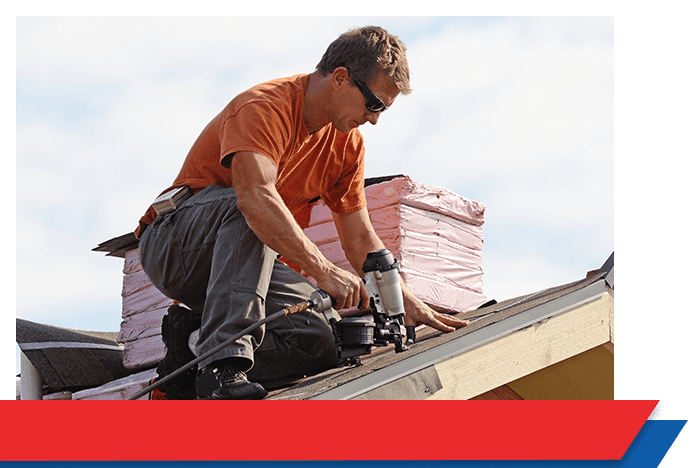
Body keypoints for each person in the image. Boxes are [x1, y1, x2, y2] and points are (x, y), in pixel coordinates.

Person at [135, 26, 469, 400]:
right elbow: (254, 198)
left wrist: (404, 301)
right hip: (175, 245)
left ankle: (191, 356)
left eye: (384, 110)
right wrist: (325, 272)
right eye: (374, 104)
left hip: (241, 262)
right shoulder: (264, 107)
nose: (375, 119)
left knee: (318, 339)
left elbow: (360, 238)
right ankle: (222, 369)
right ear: (340, 78)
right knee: (253, 207)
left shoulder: (347, 145)